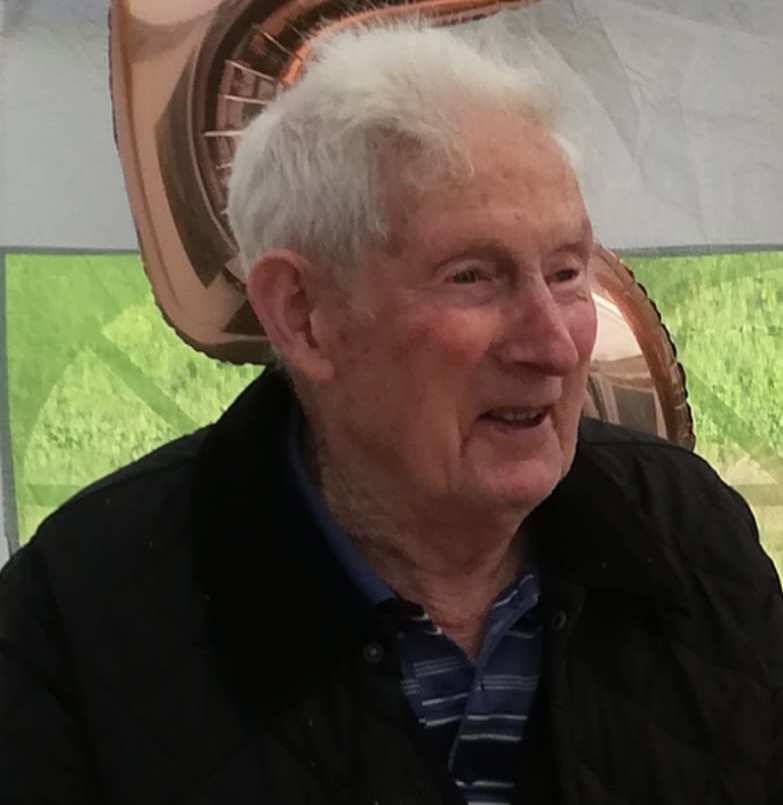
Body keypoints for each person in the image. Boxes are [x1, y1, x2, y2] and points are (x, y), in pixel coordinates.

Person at [1, 19, 781, 805]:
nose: (551, 344)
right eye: (471, 276)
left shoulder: (689, 530)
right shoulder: (78, 615)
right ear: (303, 314)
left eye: (566, 272)